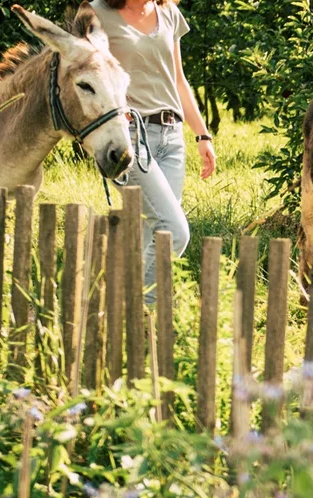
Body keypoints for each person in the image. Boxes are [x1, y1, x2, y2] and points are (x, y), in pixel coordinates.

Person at [89, 0, 214, 298]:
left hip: (172, 138)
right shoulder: (98, 12)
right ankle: (139, 316)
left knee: (152, 235)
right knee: (175, 231)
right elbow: (90, 73)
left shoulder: (169, 13)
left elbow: (178, 80)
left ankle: (126, 319)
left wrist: (202, 134)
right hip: (129, 137)